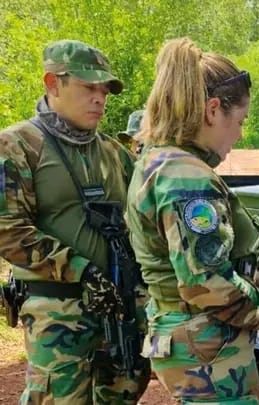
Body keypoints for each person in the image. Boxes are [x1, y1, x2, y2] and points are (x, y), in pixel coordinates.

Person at [125, 37, 259, 405]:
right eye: (240, 121)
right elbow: (204, 284)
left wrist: (255, 275)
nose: (240, 133)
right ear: (213, 110)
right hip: (205, 346)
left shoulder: (156, 161)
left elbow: (187, 264)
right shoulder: (187, 178)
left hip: (185, 334)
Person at [0, 40, 150, 403]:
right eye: (88, 88)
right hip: (58, 316)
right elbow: (7, 231)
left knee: (122, 394)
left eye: (105, 91)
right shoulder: (17, 146)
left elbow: (146, 216)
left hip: (120, 310)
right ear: (53, 83)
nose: (99, 99)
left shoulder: (114, 153)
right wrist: (81, 269)